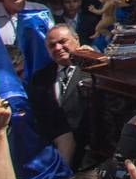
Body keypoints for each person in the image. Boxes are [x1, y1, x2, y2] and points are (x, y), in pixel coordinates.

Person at [27, 25, 90, 166]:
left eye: (63, 41)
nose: (57, 48)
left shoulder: (94, 70)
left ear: (76, 39)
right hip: (53, 155)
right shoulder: (40, 77)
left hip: (89, 153)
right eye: (52, 45)